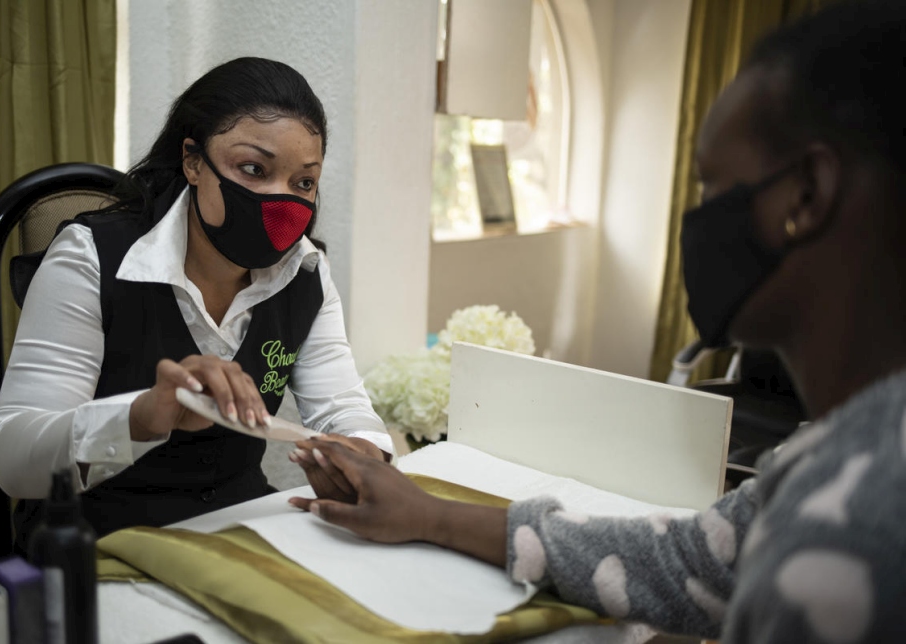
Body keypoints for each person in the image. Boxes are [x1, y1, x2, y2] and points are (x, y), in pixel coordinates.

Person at [289, 3, 906, 642]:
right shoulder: (825, 461)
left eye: (712, 189)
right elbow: (692, 561)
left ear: (805, 196)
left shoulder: (864, 519)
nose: (695, 227)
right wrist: (431, 516)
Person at [0, 57, 393, 552]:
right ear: (193, 161)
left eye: (302, 182)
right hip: (95, 542)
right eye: (253, 169)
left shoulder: (305, 272)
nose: (281, 200)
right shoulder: (90, 256)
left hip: (237, 531)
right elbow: (11, 461)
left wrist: (362, 454)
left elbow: (343, 408)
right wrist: (141, 416)